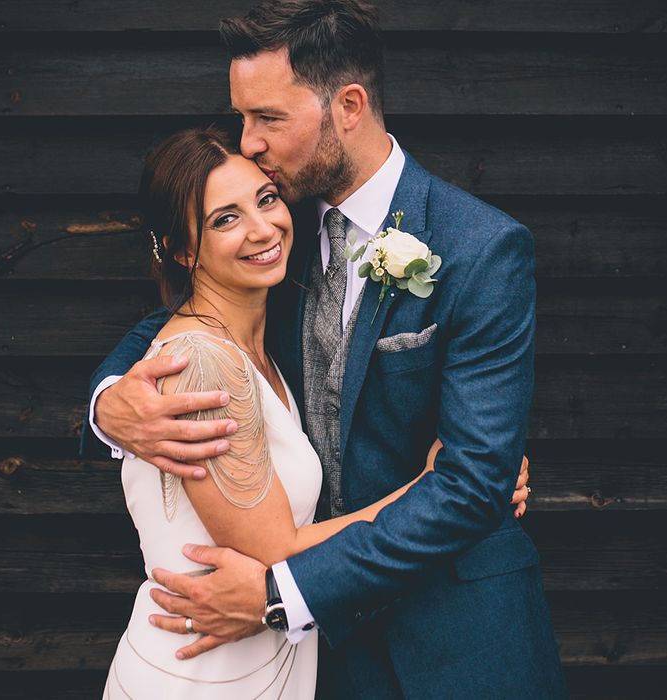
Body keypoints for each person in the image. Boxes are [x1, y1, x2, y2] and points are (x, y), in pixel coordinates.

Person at [85, 1, 567, 697]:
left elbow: (472, 487)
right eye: (243, 118)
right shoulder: (273, 222)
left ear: (347, 105)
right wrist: (110, 404)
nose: (248, 142)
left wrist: (280, 592)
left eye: (268, 119)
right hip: (317, 662)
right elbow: (175, 318)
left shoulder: (481, 248)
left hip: (457, 641)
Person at [102, 126, 445, 698]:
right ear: (184, 250)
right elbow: (274, 550)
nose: (264, 228)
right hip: (200, 673)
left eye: (265, 199)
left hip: (265, 662)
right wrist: (437, 489)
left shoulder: (257, 344)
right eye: (224, 219)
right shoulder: (199, 364)